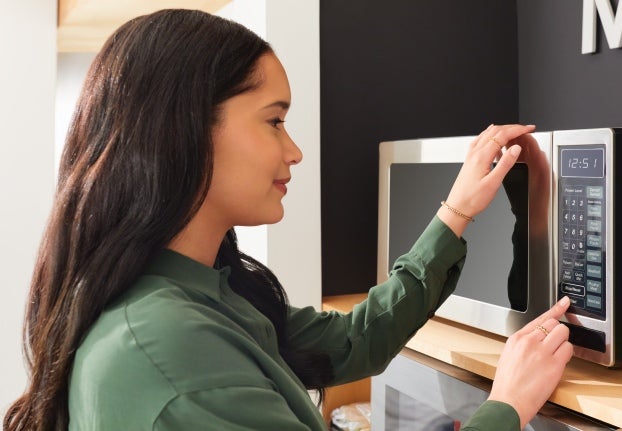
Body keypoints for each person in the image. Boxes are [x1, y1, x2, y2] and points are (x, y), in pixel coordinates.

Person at [3, 9, 572, 431]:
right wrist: (507, 407)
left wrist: (457, 212)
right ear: (184, 129)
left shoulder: (196, 292)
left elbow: (352, 342)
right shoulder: (166, 348)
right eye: (274, 121)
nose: (295, 150)